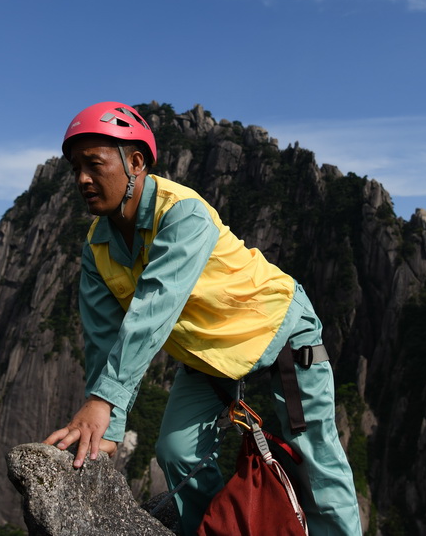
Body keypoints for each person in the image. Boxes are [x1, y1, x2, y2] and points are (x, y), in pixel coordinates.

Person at [44, 101, 362, 536]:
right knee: (177, 452)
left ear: (135, 162)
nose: (81, 178)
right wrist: (109, 427)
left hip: (279, 330)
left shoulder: (181, 213)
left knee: (315, 458)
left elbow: (155, 306)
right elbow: (103, 337)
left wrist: (104, 400)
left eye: (93, 164)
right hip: (210, 354)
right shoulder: (96, 246)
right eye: (75, 167)